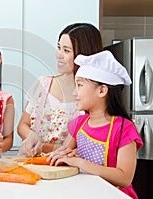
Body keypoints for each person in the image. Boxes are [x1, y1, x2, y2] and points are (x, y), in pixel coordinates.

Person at [47, 51, 143, 199]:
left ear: (102, 90)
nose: (74, 93)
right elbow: (64, 153)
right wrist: (55, 156)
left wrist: (80, 162)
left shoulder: (124, 128)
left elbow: (124, 178)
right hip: (85, 193)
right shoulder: (80, 123)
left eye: (79, 85)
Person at [18, 23, 103, 157]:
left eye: (66, 51)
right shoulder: (42, 84)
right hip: (30, 162)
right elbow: (23, 124)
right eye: (59, 48)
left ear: (83, 55)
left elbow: (73, 148)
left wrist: (42, 146)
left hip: (66, 168)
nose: (59, 55)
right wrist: (32, 137)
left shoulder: (89, 97)